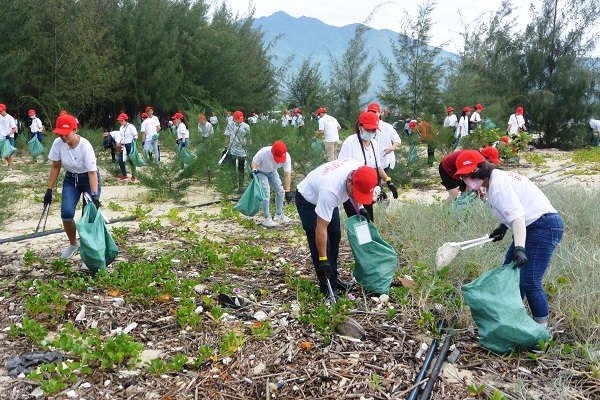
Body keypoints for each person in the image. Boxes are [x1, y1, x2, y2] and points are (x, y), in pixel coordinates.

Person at [454, 150, 563, 329]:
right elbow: (514, 209)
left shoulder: (498, 185)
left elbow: (519, 217)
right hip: (533, 225)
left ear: (480, 170)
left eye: (469, 175)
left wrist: (519, 248)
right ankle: (511, 320)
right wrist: (503, 227)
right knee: (510, 273)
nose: (467, 179)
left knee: (530, 279)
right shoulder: (494, 182)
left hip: (543, 226)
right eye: (464, 176)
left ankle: (541, 331)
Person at [296, 159, 379, 295]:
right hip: (308, 201)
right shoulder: (331, 191)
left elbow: (360, 190)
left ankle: (333, 278)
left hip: (325, 196)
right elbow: (321, 229)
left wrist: (361, 207)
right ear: (349, 181)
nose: (356, 197)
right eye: (356, 193)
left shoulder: (359, 169)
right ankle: (326, 287)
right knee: (323, 245)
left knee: (335, 235)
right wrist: (323, 260)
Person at [44, 113, 101, 259]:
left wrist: (94, 196)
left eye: (66, 134)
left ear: (75, 130)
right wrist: (49, 190)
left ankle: (87, 253)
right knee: (67, 214)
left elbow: (92, 173)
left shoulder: (85, 146)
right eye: (60, 134)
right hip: (70, 179)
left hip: (88, 179)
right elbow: (56, 166)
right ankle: (74, 243)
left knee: (87, 217)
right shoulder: (58, 143)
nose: (63, 137)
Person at [338, 110, 398, 222]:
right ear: (360, 126)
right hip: (351, 190)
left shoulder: (374, 144)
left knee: (369, 221)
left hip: (366, 190)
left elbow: (378, 167)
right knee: (358, 223)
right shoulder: (350, 143)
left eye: (373, 130)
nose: (371, 132)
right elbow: (342, 170)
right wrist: (359, 206)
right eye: (368, 129)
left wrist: (389, 181)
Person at [251, 140, 293, 227]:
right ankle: (267, 218)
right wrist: (254, 170)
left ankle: (279, 215)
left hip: (272, 172)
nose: (278, 161)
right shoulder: (264, 152)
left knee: (281, 191)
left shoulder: (287, 157)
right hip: (261, 172)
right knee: (266, 193)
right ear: (272, 152)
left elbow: (287, 174)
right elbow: (254, 162)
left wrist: (288, 190)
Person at [224, 110, 251, 192]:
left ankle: (241, 185)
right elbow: (227, 136)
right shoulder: (230, 125)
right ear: (235, 119)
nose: (241, 119)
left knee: (241, 168)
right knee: (232, 167)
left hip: (242, 150)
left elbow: (249, 138)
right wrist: (225, 147)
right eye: (239, 118)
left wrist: (249, 148)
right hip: (232, 149)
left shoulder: (246, 126)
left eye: (242, 118)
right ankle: (234, 184)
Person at [371, 103, 401, 174]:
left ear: (380, 113)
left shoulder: (387, 127)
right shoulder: (364, 128)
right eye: (370, 113)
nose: (373, 114)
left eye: (375, 112)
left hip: (385, 160)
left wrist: (392, 148)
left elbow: (397, 140)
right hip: (371, 161)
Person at [112, 113, 138, 182]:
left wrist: (134, 141)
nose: (120, 122)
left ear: (124, 120)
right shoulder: (121, 128)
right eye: (119, 120)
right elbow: (120, 137)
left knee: (131, 160)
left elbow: (135, 135)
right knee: (120, 160)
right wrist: (118, 143)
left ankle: (133, 176)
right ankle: (124, 175)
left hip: (129, 145)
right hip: (123, 146)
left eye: (121, 120)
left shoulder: (131, 126)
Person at [0, 104, 17, 170]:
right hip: (1, 137)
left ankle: (10, 166)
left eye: (1, 111)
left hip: (9, 137)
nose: (0, 112)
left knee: (10, 152)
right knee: (2, 153)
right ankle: (10, 163)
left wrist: (9, 134)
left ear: (4, 110)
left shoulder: (10, 118)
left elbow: (14, 128)